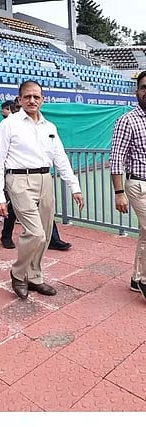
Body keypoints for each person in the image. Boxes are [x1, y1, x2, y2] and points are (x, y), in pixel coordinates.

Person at [0, 80, 83, 300]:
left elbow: (60, 158)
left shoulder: (49, 127)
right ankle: (18, 273)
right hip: (19, 180)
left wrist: (74, 186)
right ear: (19, 100)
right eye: (27, 97)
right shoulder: (8, 125)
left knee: (45, 234)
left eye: (36, 97)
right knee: (35, 233)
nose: (32, 100)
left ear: (42, 99)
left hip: (45, 179)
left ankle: (34, 276)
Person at [0, 101, 71, 252]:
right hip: (18, 177)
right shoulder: (8, 125)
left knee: (45, 210)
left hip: (41, 177)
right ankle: (6, 236)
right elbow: (0, 157)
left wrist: (73, 184)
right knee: (14, 210)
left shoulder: (45, 126)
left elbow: (57, 154)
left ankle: (52, 239)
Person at [111, 70, 146, 297]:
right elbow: (116, 158)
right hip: (139, 185)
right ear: (137, 92)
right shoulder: (127, 120)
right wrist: (119, 192)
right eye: (144, 87)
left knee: (145, 234)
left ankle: (136, 278)